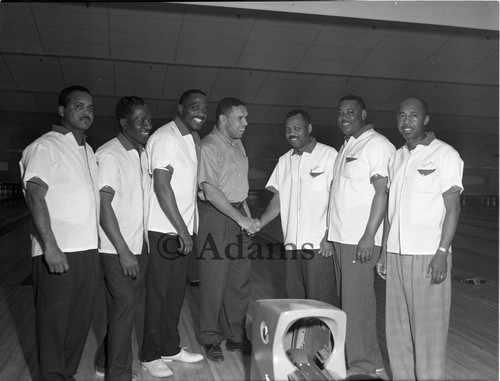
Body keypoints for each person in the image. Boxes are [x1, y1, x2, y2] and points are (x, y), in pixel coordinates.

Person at [376, 97, 463, 380]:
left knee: (429, 335)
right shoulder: (396, 157)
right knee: (397, 331)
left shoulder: (445, 154)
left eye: (413, 115)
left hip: (429, 255)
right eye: (401, 116)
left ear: (426, 119)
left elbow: (453, 207)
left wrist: (442, 252)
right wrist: (384, 253)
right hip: (397, 255)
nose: (406, 121)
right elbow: (392, 211)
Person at [19, 85, 100, 380]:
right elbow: (35, 197)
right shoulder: (45, 146)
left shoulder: (88, 150)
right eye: (79, 106)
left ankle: (67, 375)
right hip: (58, 251)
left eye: (90, 108)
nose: (86, 113)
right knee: (54, 326)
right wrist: (50, 247)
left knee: (78, 324)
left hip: (88, 251)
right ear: (62, 111)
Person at [140, 89, 207, 377]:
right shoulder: (167, 137)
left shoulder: (189, 139)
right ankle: (150, 355)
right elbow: (162, 186)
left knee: (175, 293)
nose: (200, 112)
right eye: (194, 107)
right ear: (180, 109)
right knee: (158, 294)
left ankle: (170, 347)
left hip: (179, 230)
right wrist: (183, 231)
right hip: (164, 230)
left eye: (204, 108)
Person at [327, 95, 395, 377]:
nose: (344, 117)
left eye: (350, 112)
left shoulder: (377, 144)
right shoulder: (347, 146)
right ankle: (371, 359)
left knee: (356, 305)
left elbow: (383, 192)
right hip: (342, 238)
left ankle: (361, 367)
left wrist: (370, 236)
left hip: (359, 239)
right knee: (353, 304)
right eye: (340, 112)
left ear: (363, 114)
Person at [93, 96, 152, 381]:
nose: (147, 125)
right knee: (125, 309)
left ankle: (104, 361)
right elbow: (104, 206)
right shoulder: (109, 154)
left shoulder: (140, 153)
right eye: (140, 120)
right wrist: (124, 252)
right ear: (124, 123)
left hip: (138, 246)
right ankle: (118, 375)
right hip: (117, 250)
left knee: (120, 309)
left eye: (149, 119)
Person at [195, 97, 256, 363]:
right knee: (213, 281)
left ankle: (235, 336)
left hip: (238, 213)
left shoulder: (238, 144)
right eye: (239, 118)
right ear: (222, 119)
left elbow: (239, 187)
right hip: (215, 216)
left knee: (239, 279)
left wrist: (249, 219)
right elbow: (210, 190)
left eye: (246, 117)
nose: (245, 123)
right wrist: (238, 218)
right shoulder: (209, 146)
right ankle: (210, 338)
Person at [257, 109, 339, 306]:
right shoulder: (284, 160)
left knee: (321, 300)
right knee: (295, 299)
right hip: (293, 244)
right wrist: (259, 223)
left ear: (309, 128)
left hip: (320, 244)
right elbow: (278, 199)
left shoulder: (329, 155)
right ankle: (300, 337)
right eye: (287, 129)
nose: (291, 133)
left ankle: (323, 337)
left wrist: (329, 235)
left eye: (297, 128)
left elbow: (338, 199)